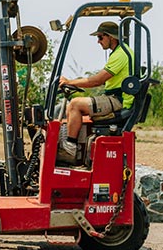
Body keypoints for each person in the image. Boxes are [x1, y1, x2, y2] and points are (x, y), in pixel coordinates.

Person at [57, 21, 133, 164]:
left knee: (74, 105)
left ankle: (69, 149)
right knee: (79, 111)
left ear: (111, 37)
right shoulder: (119, 53)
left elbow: (97, 80)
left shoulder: (121, 54)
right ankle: (77, 152)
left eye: (100, 37)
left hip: (118, 100)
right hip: (114, 97)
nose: (98, 41)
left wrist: (69, 82)